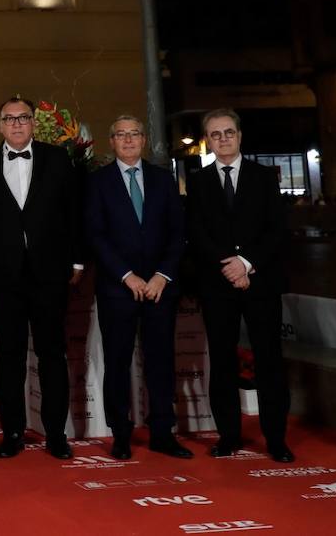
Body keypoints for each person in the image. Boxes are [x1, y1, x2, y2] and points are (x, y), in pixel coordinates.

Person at [0, 95, 84, 461]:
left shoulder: (58, 159)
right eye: (9, 119)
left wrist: (78, 262)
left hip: (50, 274)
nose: (16, 124)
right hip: (4, 278)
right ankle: (13, 433)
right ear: (0, 125)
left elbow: (74, 213)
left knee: (52, 354)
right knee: (10, 355)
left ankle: (55, 435)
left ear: (33, 123)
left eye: (23, 118)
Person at [187, 108, 293, 463]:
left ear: (240, 135)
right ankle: (228, 436)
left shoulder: (264, 177)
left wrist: (246, 263)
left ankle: (276, 439)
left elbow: (277, 228)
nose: (223, 139)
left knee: (270, 361)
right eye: (215, 134)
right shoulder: (198, 181)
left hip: (260, 281)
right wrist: (229, 266)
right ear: (208, 140)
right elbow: (197, 232)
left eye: (228, 132)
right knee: (222, 360)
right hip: (217, 285)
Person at [83, 116, 191, 461]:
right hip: (119, 288)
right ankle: (121, 433)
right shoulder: (97, 182)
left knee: (160, 360)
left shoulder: (163, 180)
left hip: (161, 287)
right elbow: (95, 236)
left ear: (144, 140)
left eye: (134, 134)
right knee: (117, 361)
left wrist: (162, 275)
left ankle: (163, 432)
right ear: (111, 141)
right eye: (120, 135)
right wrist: (127, 275)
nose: (128, 140)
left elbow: (178, 234)